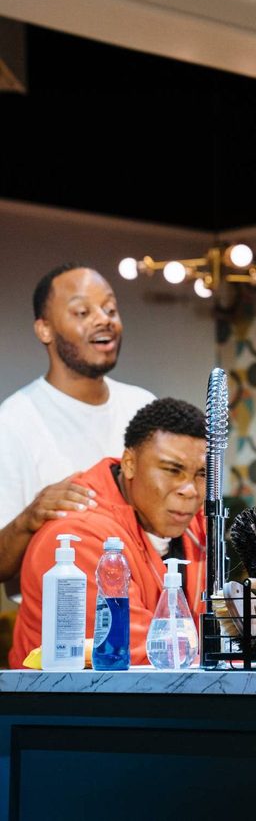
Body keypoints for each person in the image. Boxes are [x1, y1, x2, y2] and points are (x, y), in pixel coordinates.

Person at [9, 398, 206, 668]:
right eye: (173, 470)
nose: (190, 490)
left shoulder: (197, 524)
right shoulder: (77, 536)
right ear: (129, 464)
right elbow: (141, 652)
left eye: (202, 474)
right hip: (65, 706)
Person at [0, 264, 154, 589]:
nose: (104, 319)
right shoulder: (13, 422)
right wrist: (30, 519)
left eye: (110, 308)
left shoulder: (143, 407)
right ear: (44, 330)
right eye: (83, 311)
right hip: (52, 629)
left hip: (146, 616)